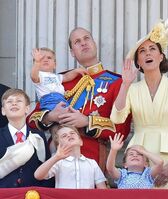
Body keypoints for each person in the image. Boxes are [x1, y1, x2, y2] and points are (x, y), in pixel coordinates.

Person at [28, 27, 131, 169]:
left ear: (94, 44)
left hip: (93, 157)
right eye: (77, 41)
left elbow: (121, 130)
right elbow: (31, 120)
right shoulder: (59, 80)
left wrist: (87, 121)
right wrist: (51, 116)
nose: (83, 43)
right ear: (72, 52)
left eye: (87, 38)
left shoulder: (117, 82)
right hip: (57, 157)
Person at [111, 19, 168, 189]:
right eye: (142, 51)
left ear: (161, 56)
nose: (147, 53)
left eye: (152, 49)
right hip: (138, 160)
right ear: (138, 62)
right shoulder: (132, 89)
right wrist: (125, 84)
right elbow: (117, 117)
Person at [0, 89, 50, 188]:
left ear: (27, 109)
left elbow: (46, 168)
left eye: (18, 101)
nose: (14, 103)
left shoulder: (38, 136)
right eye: (9, 101)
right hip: (3, 196)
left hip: (33, 196)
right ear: (3, 111)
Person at [34, 125, 107, 189]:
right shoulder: (58, 162)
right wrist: (56, 157)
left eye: (72, 133)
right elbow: (38, 175)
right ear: (58, 145)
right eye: (64, 136)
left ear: (81, 141)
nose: (69, 135)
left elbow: (102, 189)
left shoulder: (92, 163)